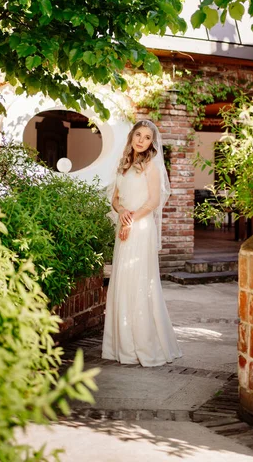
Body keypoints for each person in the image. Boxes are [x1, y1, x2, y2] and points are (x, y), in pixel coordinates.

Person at [102, 120, 182, 367]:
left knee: (138, 280)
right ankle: (120, 345)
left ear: (151, 143)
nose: (141, 140)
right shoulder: (123, 164)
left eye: (147, 137)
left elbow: (154, 201)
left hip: (141, 226)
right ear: (132, 136)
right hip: (125, 222)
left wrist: (130, 221)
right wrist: (122, 211)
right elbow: (114, 199)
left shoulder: (151, 167)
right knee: (122, 279)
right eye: (138, 135)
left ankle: (143, 345)